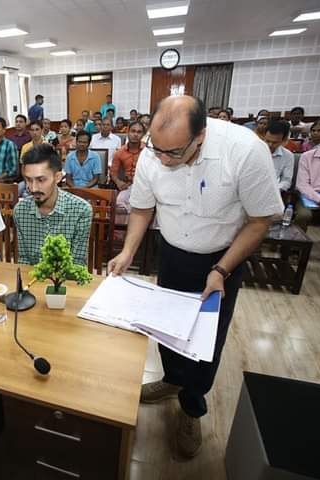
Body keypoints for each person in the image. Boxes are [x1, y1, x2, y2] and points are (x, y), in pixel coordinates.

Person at [108, 96, 282, 459]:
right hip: (172, 254)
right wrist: (128, 252)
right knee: (167, 329)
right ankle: (172, 380)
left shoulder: (245, 151)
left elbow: (260, 220)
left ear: (200, 135)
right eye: (156, 149)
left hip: (222, 259)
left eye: (173, 152)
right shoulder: (154, 151)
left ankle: (191, 406)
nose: (162, 159)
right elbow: (142, 208)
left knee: (206, 341)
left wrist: (221, 270)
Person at [13, 144, 92, 265]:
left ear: (58, 177)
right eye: (28, 180)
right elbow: (23, 260)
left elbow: (77, 264)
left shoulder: (80, 210)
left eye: (41, 180)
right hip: (31, 276)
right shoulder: (20, 210)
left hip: (65, 276)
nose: (33, 188)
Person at [111, 121, 146, 211]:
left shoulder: (148, 151)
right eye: (133, 131)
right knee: (118, 203)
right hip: (128, 186)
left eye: (139, 132)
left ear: (143, 135)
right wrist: (118, 182)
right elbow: (113, 173)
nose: (135, 134)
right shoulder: (119, 152)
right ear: (128, 132)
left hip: (145, 187)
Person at [263, 120, 294, 192]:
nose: (270, 145)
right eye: (267, 141)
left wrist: (274, 190)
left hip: (275, 191)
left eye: (275, 142)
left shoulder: (288, 156)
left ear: (283, 141)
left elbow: (286, 181)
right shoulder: (255, 151)